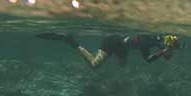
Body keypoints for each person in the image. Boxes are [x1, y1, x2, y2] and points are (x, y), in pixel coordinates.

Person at [36, 32, 183, 69]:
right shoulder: (150, 41)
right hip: (113, 42)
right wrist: (163, 52)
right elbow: (129, 41)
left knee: (122, 65)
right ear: (167, 44)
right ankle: (70, 40)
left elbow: (149, 60)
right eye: (170, 48)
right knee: (94, 65)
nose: (169, 52)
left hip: (120, 47)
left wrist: (163, 52)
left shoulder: (153, 43)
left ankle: (111, 56)